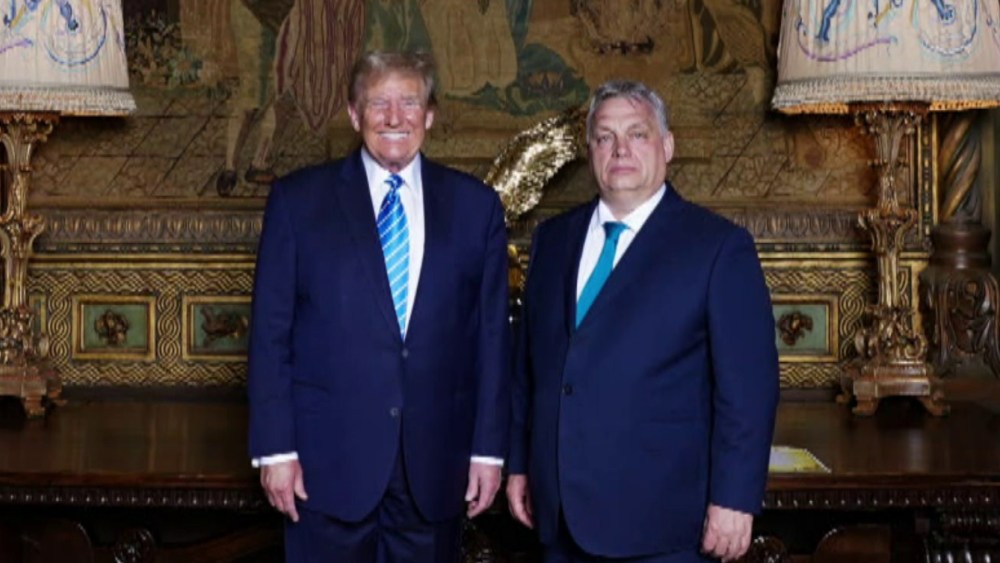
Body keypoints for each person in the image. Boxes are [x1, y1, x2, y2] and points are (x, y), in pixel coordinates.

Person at [247, 50, 510, 563]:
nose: (394, 117)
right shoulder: (298, 202)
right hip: (325, 468)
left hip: (436, 467)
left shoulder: (476, 208)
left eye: (409, 103)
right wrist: (275, 449)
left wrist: (488, 450)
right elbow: (270, 335)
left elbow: (492, 340)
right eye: (378, 103)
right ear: (353, 114)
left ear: (429, 115)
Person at [507, 79, 779, 563]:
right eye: (605, 137)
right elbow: (528, 371)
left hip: (660, 524)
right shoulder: (552, 240)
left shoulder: (717, 248)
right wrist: (520, 465)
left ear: (666, 145)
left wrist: (735, 497)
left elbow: (748, 389)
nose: (621, 150)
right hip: (558, 516)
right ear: (590, 151)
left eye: (637, 134)